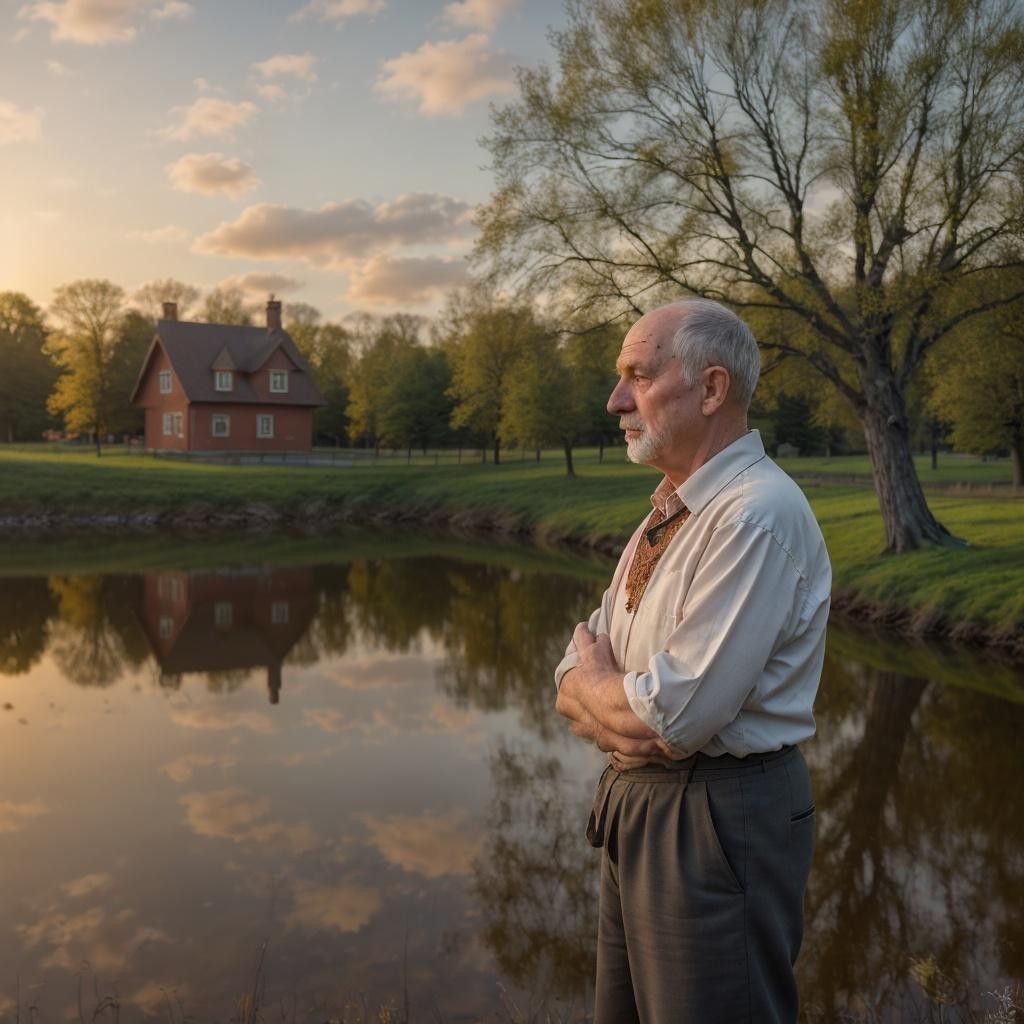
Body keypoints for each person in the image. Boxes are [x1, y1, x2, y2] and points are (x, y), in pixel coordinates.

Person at [554, 299, 831, 1024]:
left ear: (711, 390)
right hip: (643, 803)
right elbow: (572, 664)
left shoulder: (755, 515)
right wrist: (609, 696)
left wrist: (601, 693)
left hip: (714, 814)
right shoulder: (669, 511)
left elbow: (674, 718)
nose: (615, 400)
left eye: (637, 377)